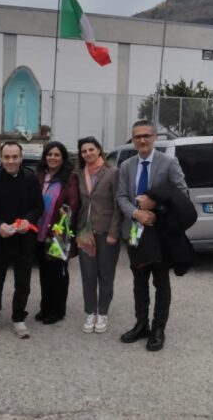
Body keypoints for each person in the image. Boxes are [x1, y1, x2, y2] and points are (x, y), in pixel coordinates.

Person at [117, 120, 188, 351]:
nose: (142, 140)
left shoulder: (169, 163)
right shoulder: (126, 165)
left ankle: (158, 328)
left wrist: (155, 205)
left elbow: (182, 194)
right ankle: (141, 324)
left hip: (160, 233)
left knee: (161, 282)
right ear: (133, 139)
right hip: (135, 232)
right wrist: (136, 213)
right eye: (137, 136)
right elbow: (121, 197)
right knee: (139, 281)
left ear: (155, 137)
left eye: (146, 135)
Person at [0, 141, 44, 339]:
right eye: (6, 157)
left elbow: (38, 207)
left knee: (23, 283)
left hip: (24, 240)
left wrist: (28, 220)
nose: (11, 161)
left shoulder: (31, 179)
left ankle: (18, 318)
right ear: (1, 158)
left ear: (21, 158)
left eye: (15, 157)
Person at [76, 137, 121, 334]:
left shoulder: (112, 173)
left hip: (106, 232)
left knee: (105, 274)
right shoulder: (79, 174)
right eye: (84, 151)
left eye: (91, 149)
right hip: (84, 233)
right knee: (88, 275)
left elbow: (118, 204)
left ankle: (103, 312)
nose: (87, 153)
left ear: (99, 150)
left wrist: (114, 232)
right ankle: (90, 312)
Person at [35, 141, 79, 325]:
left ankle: (57, 310)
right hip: (39, 230)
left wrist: (66, 211)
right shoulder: (40, 175)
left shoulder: (70, 178)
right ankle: (45, 307)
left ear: (63, 158)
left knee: (58, 272)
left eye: (57, 155)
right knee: (44, 271)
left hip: (59, 231)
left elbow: (74, 202)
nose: (52, 158)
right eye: (49, 154)